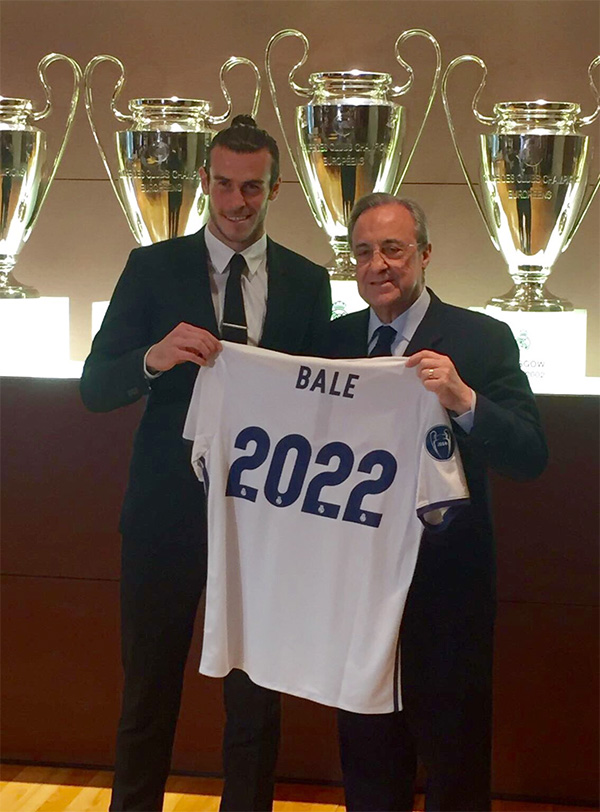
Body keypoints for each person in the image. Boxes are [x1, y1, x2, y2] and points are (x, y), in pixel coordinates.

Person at [80, 115, 331, 812]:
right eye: (223, 184)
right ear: (204, 182)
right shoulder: (150, 268)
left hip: (263, 524)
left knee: (255, 706)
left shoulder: (309, 283)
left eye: (252, 187)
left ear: (274, 189)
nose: (235, 202)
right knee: (148, 693)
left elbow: (320, 407)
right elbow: (96, 386)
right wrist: (154, 359)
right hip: (165, 518)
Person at [327, 193, 548, 811]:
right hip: (361, 594)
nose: (379, 265)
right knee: (367, 759)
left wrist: (463, 398)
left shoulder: (483, 339)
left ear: (424, 255)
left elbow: (530, 453)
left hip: (448, 594)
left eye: (393, 249)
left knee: (455, 764)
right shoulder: (330, 341)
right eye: (364, 252)